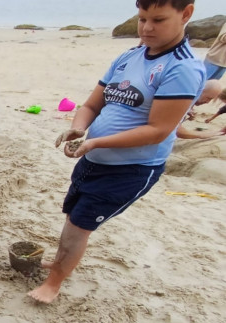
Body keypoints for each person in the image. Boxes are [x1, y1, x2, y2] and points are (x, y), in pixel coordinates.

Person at [28, 0, 205, 304]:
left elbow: (158, 131)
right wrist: (79, 127)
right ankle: (60, 262)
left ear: (186, 14)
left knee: (78, 225)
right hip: (93, 159)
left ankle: (54, 283)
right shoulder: (129, 56)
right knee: (73, 216)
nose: (147, 28)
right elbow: (92, 105)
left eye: (158, 20)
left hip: (130, 168)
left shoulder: (183, 68)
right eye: (142, 19)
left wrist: (96, 142)